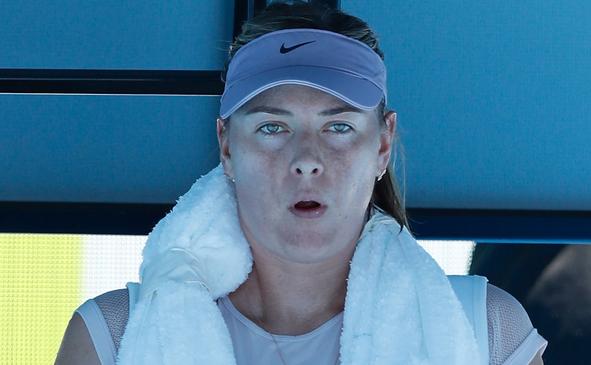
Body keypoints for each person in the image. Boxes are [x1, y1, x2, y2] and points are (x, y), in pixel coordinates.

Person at [55, 2, 547, 364]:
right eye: (273, 127)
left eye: (339, 127)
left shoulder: (487, 333)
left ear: (382, 146)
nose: (307, 160)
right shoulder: (111, 340)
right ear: (227, 146)